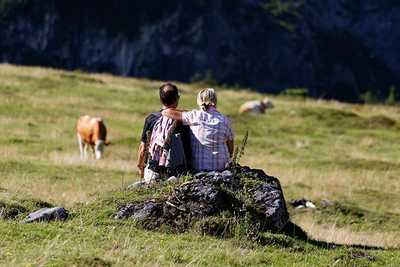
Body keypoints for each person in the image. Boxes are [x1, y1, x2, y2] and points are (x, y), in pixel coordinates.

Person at [162, 88, 234, 172]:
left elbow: (166, 112)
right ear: (215, 100)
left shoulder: (194, 116)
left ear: (199, 101)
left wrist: (186, 112)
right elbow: (230, 148)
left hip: (200, 167)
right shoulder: (225, 120)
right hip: (222, 167)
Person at [136, 83, 191, 180]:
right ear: (177, 98)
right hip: (177, 173)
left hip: (153, 171)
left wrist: (140, 167)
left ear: (160, 99)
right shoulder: (184, 120)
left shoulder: (151, 119)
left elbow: (143, 148)